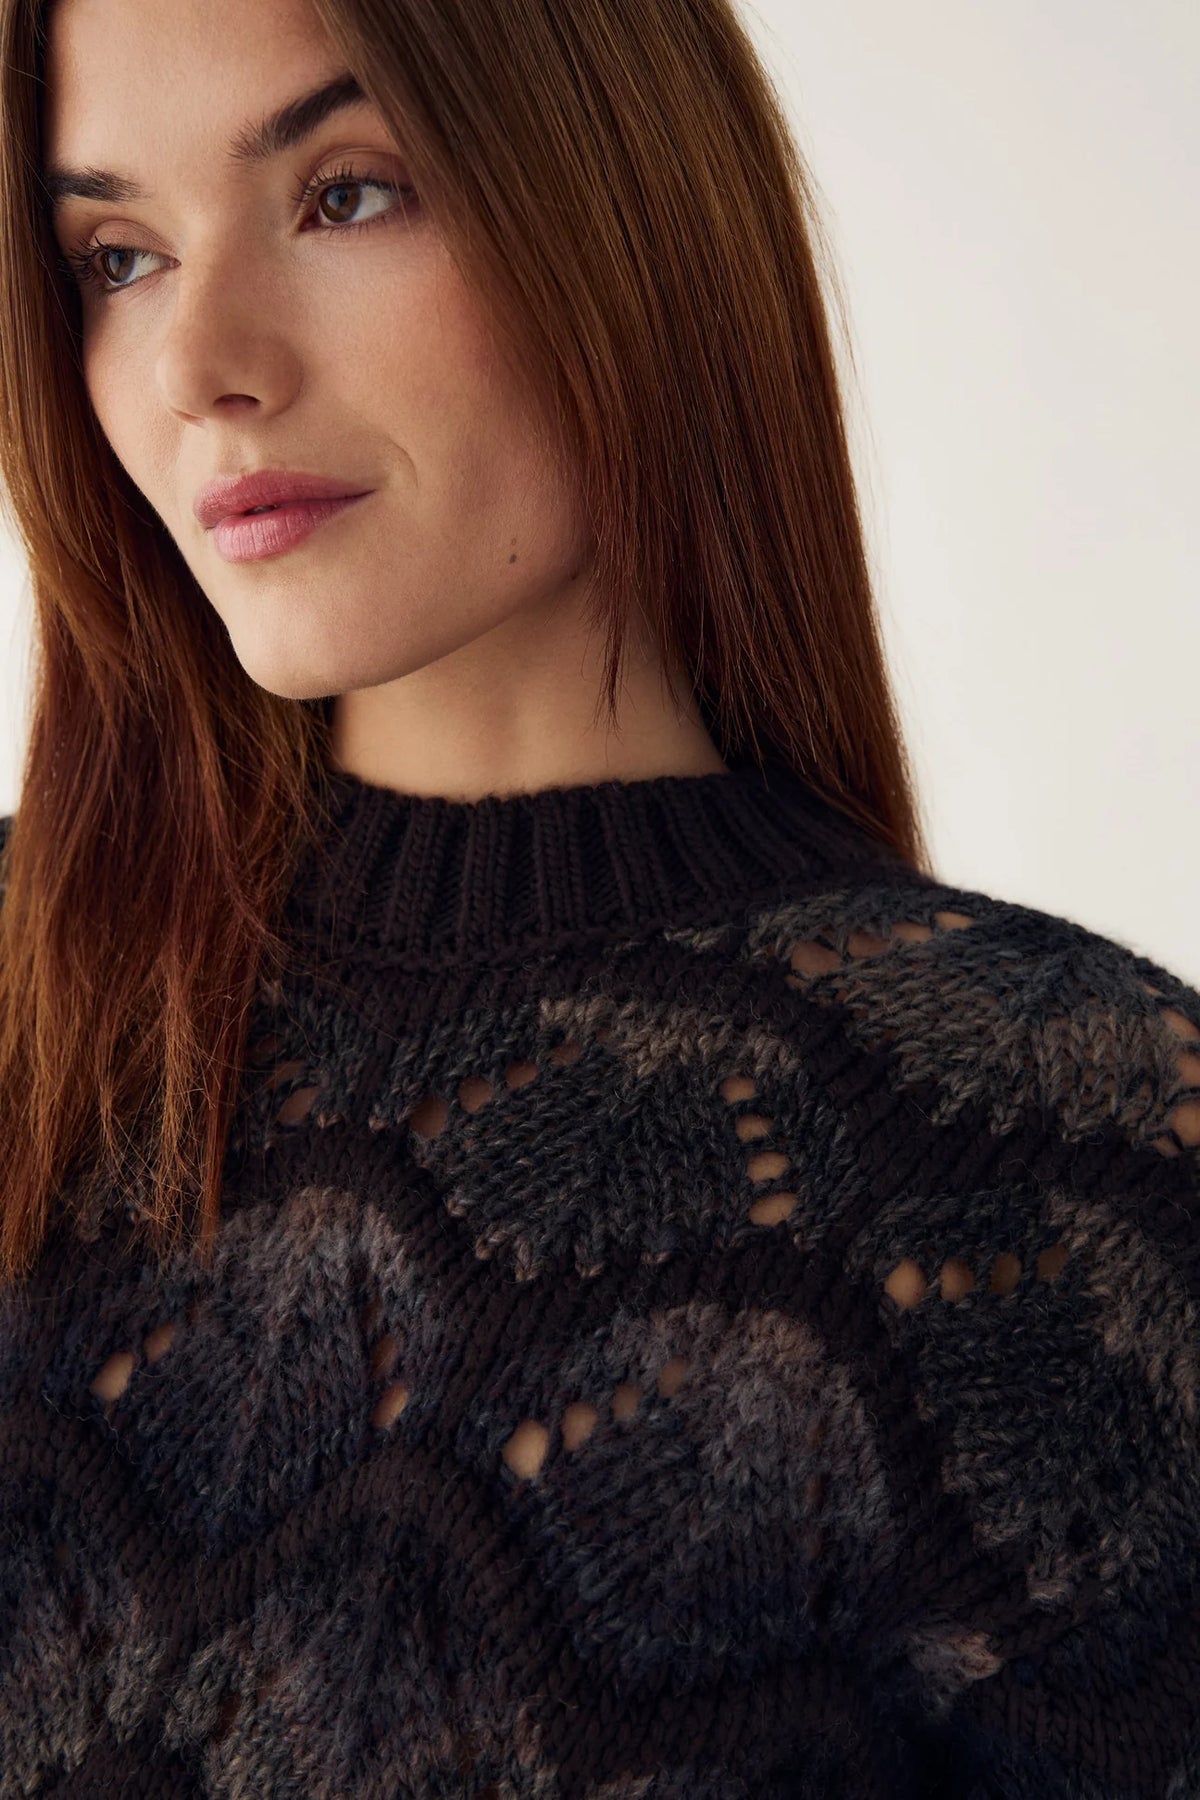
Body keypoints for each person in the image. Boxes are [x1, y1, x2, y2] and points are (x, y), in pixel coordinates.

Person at [0, 0, 1196, 1793]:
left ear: (625, 205)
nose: (199, 365)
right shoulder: (35, 991)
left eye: (347, 193)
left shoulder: (1069, 1144)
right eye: (120, 254)